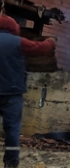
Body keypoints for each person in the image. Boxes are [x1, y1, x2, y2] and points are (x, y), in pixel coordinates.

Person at [0, 15, 56, 168]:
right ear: (13, 28)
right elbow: (39, 48)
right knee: (12, 130)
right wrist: (51, 41)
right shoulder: (17, 42)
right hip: (12, 93)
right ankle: (10, 163)